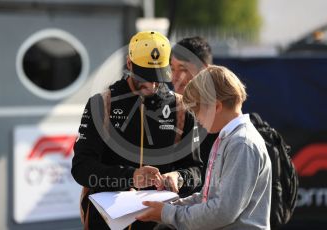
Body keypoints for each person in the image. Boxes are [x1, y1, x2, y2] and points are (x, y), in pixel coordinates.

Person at [71, 31, 203, 229]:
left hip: (161, 224)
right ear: (129, 63)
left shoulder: (181, 108)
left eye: (158, 76)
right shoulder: (101, 104)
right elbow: (81, 168)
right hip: (107, 223)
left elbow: (198, 171)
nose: (152, 84)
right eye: (145, 76)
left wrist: (180, 178)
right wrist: (130, 177)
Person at [136, 65, 272, 230]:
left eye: (197, 110)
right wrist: (167, 206)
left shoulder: (241, 143)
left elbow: (223, 212)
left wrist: (168, 213)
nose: (197, 119)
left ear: (216, 106)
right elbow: (206, 197)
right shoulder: (227, 138)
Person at [170, 37, 216, 187]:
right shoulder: (167, 116)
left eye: (183, 69)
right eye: (172, 68)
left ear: (204, 70)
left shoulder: (221, 121)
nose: (175, 77)